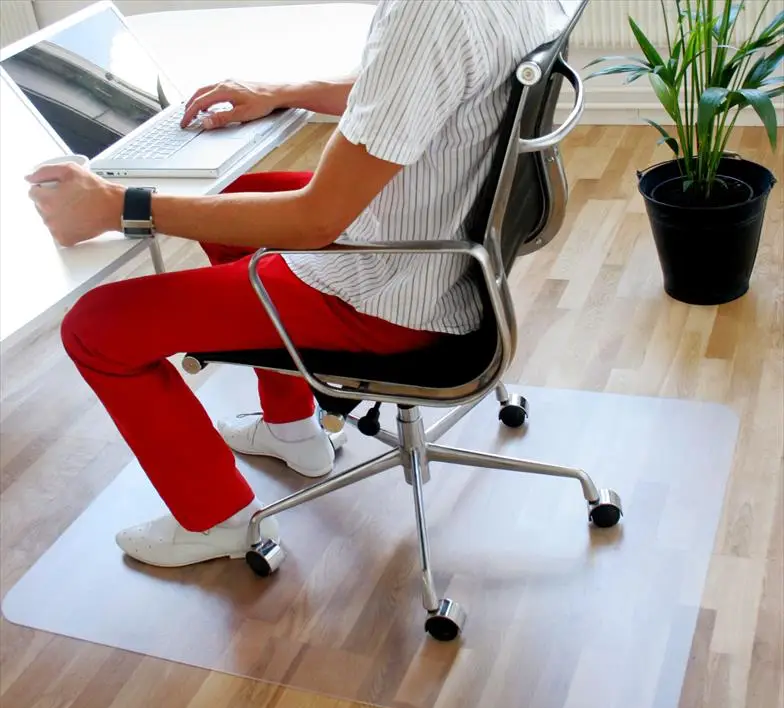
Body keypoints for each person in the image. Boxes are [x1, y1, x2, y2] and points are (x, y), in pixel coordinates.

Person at [26, 0, 570, 568]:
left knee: (95, 329)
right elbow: (413, 85)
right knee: (232, 201)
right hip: (440, 237)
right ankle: (291, 430)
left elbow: (314, 222)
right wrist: (284, 92)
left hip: (385, 295)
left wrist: (120, 207)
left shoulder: (427, 10)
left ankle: (217, 519)